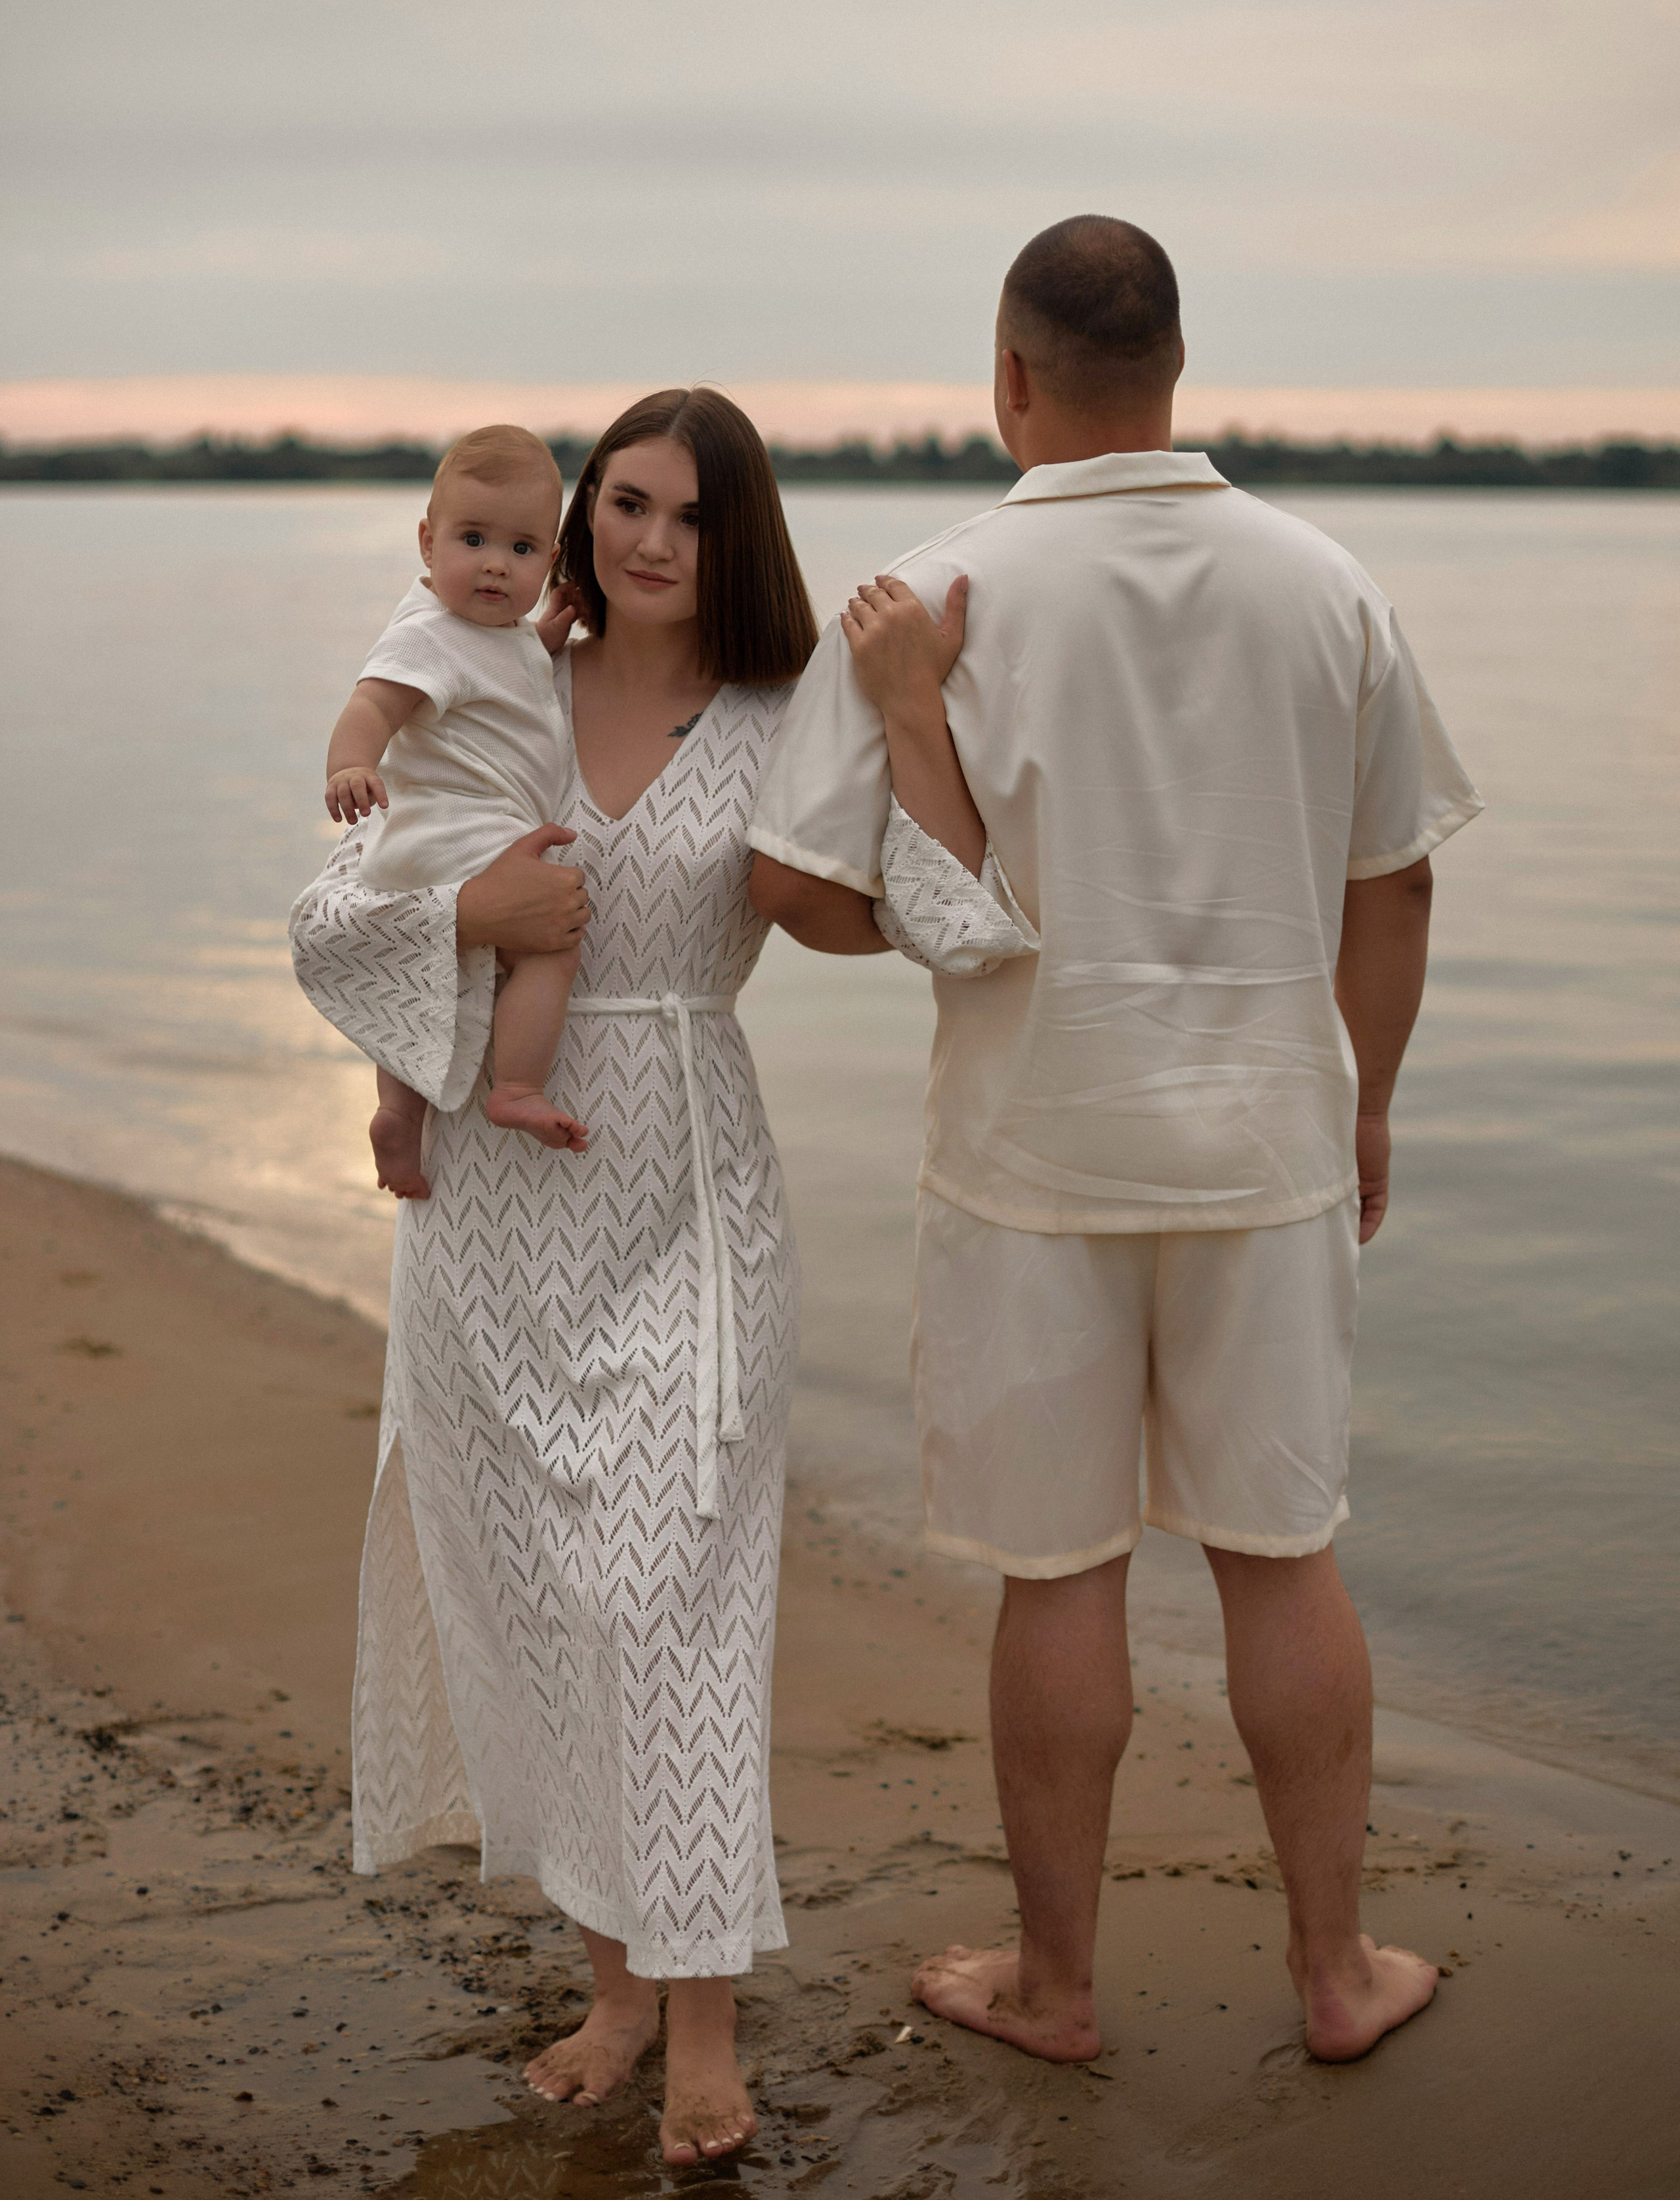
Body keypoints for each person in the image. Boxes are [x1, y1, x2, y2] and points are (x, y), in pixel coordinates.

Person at [748, 215, 1483, 2069]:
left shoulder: (927, 593)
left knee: (1059, 1576)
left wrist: (945, 890)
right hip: (1266, 1142)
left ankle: (1059, 1990)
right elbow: (1388, 883)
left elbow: (799, 892)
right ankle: (1336, 1975)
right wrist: (1370, 1096)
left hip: (1028, 1153)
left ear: (1009, 377)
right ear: (1175, 366)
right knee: (1280, 1554)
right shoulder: (1328, 585)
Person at [289, 385, 1007, 2166]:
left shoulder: (784, 714)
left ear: (737, 531)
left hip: (685, 1180)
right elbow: (331, 909)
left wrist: (914, 714)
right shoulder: (493, 667)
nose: (647, 541)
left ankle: (704, 2027)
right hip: (491, 1188)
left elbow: (936, 914)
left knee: (672, 1599)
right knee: (531, 1590)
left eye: (686, 513)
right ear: (586, 510)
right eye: (623, 502)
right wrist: (472, 920)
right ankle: (616, 1986)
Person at [323, 424, 587, 1200]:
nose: (497, 565)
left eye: (525, 549)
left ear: (549, 560)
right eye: (473, 539)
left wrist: (546, 634)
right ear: (426, 542)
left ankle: (397, 1111)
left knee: (427, 974)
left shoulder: (488, 634)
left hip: (424, 852)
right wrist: (350, 764)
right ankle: (515, 1085)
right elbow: (372, 703)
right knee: (551, 941)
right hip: (460, 832)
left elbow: (500, 670)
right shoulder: (428, 633)